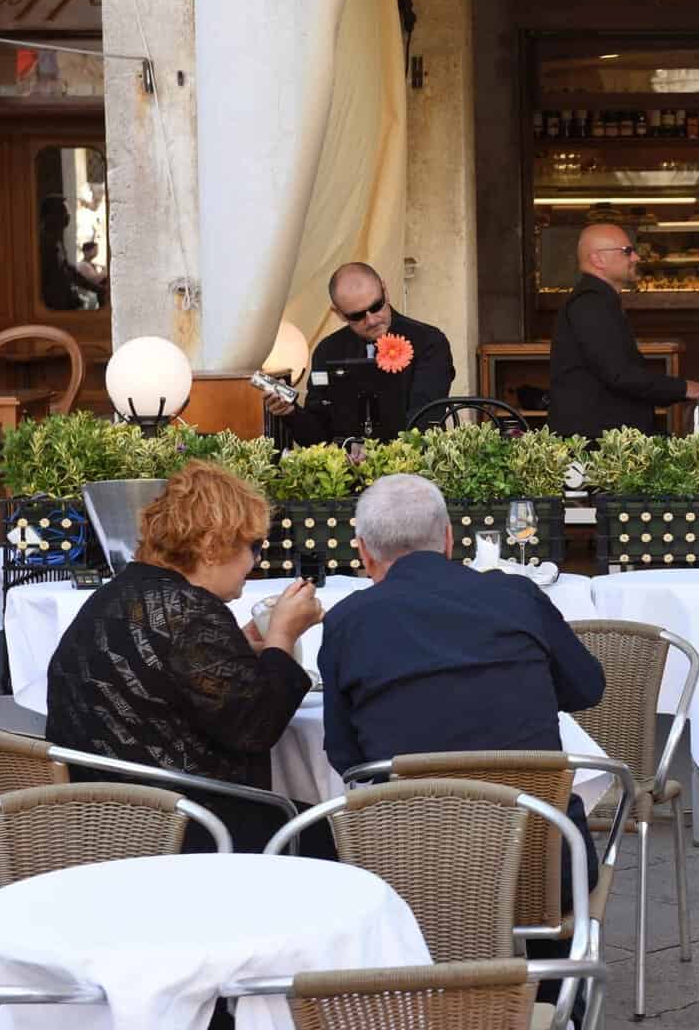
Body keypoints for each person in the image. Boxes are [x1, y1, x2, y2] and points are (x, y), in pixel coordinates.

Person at [319, 473, 605, 1012]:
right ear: (449, 539)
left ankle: (416, 1007)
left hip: (407, 867)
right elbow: (587, 688)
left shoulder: (348, 621)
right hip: (538, 864)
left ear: (363, 552)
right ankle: (549, 1010)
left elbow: (346, 757)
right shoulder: (515, 596)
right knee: (555, 857)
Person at [44, 462, 324, 851]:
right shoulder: (190, 611)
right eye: (253, 546)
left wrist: (238, 646)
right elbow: (258, 725)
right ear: (212, 547)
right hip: (184, 828)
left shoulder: (121, 592)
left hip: (105, 821)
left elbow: (164, 670)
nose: (254, 561)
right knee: (348, 833)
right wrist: (283, 635)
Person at [261, 262, 455, 444]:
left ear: (385, 292)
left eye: (376, 306)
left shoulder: (428, 341)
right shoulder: (328, 351)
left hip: (411, 471)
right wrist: (290, 413)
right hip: (344, 472)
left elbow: (425, 422)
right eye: (357, 316)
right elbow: (317, 436)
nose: (371, 320)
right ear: (338, 313)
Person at [549, 222, 699, 439]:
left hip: (609, 439)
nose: (635, 257)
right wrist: (687, 389)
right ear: (598, 259)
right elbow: (619, 375)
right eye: (627, 251)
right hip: (597, 447)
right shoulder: (590, 303)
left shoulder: (599, 300)